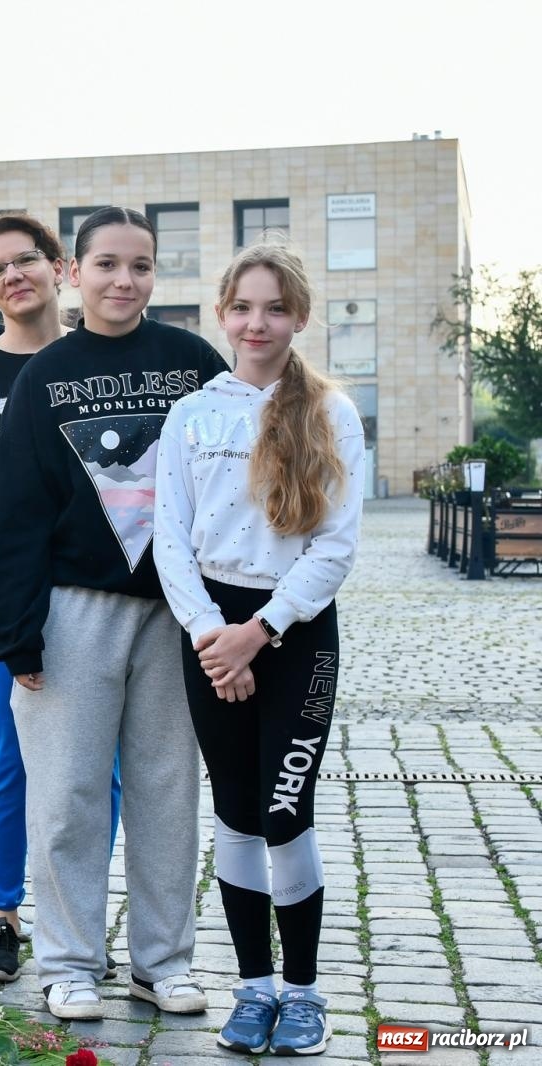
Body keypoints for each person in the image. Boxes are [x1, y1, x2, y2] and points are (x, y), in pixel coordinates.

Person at [0, 206, 227, 1021]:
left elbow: (231, 489)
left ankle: (162, 963)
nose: (125, 280)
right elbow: (13, 513)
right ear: (74, 272)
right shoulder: (43, 375)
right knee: (67, 796)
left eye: (141, 265)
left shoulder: (193, 362)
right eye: (108, 265)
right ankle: (68, 963)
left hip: (175, 613)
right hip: (72, 612)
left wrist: (227, 615)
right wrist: (16, 631)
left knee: (167, 794)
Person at [154, 244, 364, 1055]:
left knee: (285, 812)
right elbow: (169, 536)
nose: (257, 322)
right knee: (236, 813)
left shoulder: (331, 414)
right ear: (221, 313)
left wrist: (261, 632)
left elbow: (336, 547)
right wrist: (213, 635)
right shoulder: (192, 413)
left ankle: (304, 993)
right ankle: (253, 988)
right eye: (243, 307)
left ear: (299, 317)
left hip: (295, 635)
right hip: (211, 631)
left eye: (275, 308)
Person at [0, 212, 122, 982]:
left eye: (28, 261)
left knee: (95, 764)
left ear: (59, 268)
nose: (15, 276)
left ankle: (78, 918)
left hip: (88, 582)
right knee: (4, 756)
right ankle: (2, 912)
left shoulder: (94, 361)